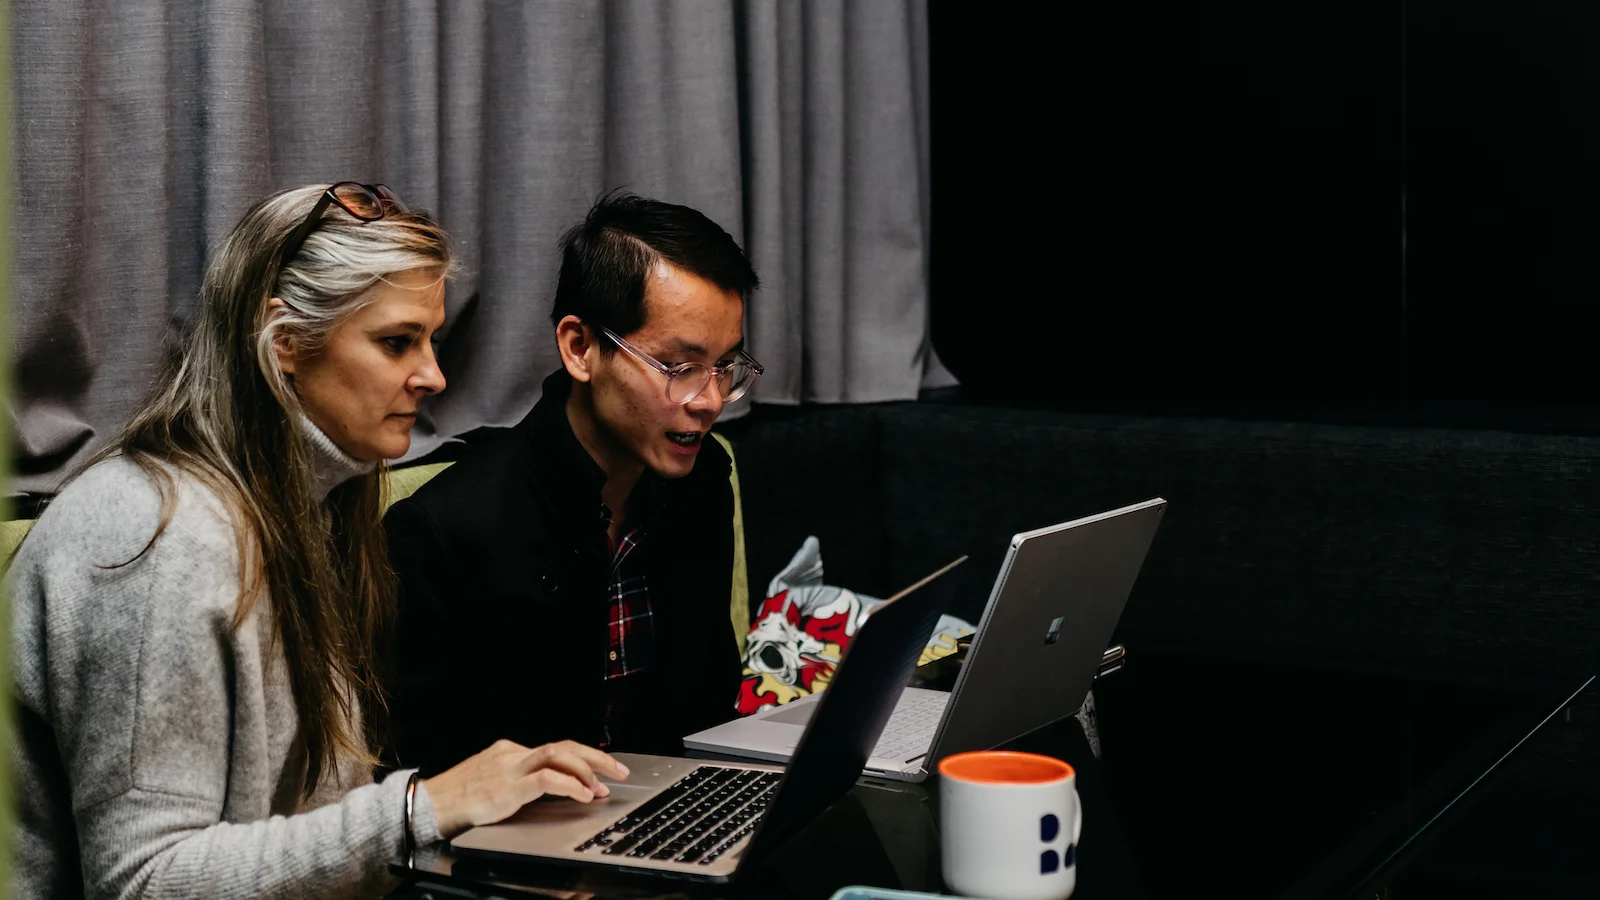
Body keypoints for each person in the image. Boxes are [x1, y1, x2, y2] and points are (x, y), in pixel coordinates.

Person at [8, 183, 627, 900]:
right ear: (285, 344)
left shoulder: (314, 497)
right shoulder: (162, 537)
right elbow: (145, 881)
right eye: (397, 342)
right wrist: (423, 809)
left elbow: (309, 828)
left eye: (429, 338)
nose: (434, 375)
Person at [385, 192, 761, 776]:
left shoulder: (703, 481)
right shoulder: (445, 528)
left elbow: (706, 709)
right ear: (580, 348)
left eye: (725, 367)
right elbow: (418, 777)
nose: (709, 400)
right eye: (679, 368)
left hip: (669, 813)